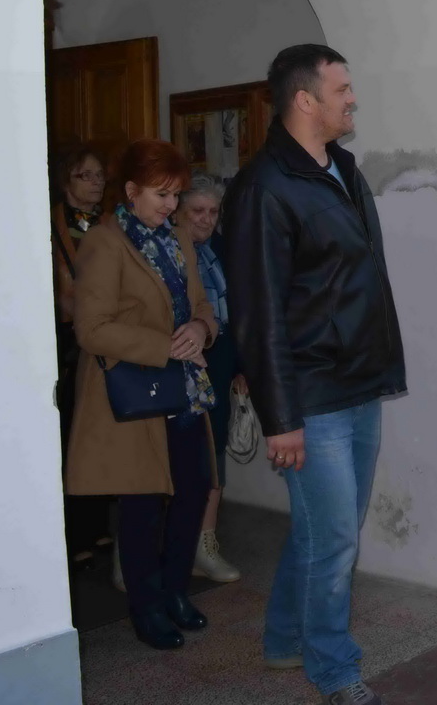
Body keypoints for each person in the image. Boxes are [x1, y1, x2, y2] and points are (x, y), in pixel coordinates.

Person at [224, 44, 406, 705]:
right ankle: (334, 668)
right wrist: (281, 419)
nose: (352, 99)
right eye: (342, 89)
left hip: (360, 382)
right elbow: (258, 314)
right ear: (305, 100)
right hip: (311, 393)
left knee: (320, 531)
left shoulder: (343, 169)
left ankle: (283, 639)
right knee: (333, 540)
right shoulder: (264, 187)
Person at [65, 139, 218, 651]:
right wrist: (165, 346)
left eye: (176, 195)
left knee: (193, 491)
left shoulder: (179, 239)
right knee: (142, 503)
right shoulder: (105, 243)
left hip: (184, 391)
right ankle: (146, 607)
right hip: (136, 394)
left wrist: (201, 328)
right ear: (131, 191)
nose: (171, 206)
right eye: (161, 195)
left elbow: (202, 304)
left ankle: (175, 591)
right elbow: (91, 328)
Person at [175, 172, 247, 583]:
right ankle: (151, 551)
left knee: (214, 454)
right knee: (173, 463)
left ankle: (205, 545)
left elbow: (238, 311)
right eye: (197, 211)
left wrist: (242, 367)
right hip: (176, 367)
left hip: (217, 364)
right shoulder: (164, 251)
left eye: (213, 211)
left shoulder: (220, 249)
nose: (205, 219)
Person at [50, 141, 112, 569]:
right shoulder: (49, 225)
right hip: (68, 340)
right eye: (84, 175)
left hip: (106, 337)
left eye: (99, 175)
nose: (95, 183)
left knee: (100, 433)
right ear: (65, 180)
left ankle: (97, 523)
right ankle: (72, 533)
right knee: (71, 433)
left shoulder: (110, 222)